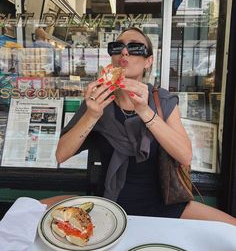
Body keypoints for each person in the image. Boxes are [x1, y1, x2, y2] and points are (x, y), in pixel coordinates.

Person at [56, 27, 236, 225]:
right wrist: (92, 115)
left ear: (148, 61)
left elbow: (185, 155)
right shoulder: (97, 101)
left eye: (135, 48)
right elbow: (61, 155)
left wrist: (144, 111)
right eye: (118, 47)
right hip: (111, 205)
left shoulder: (163, 100)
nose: (125, 52)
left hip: (164, 203)